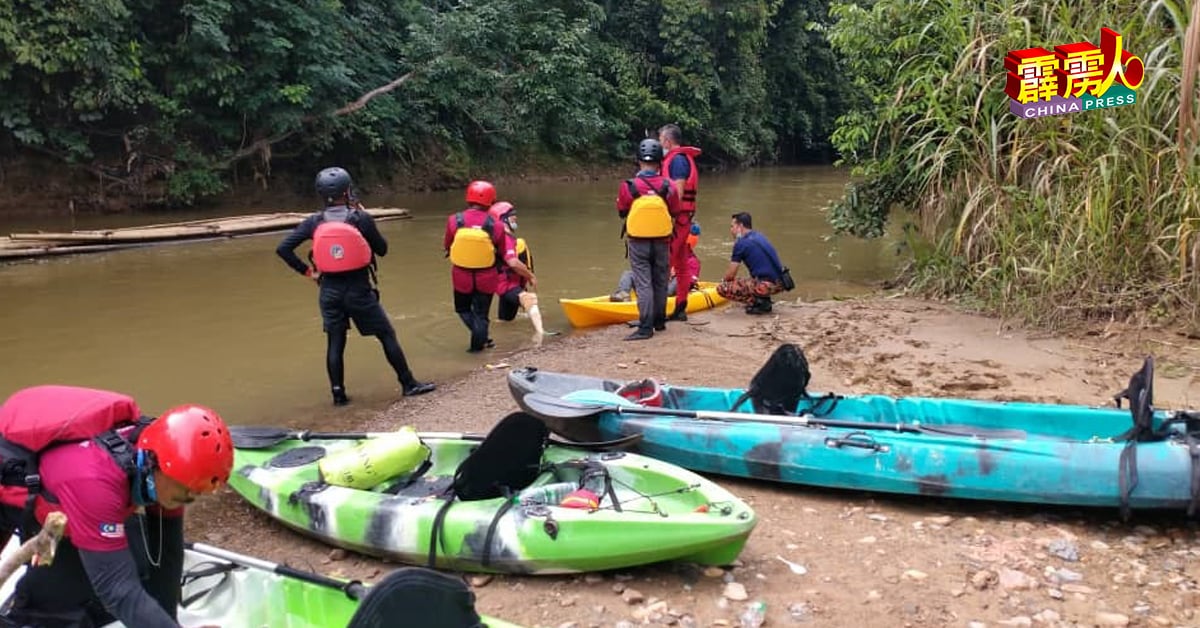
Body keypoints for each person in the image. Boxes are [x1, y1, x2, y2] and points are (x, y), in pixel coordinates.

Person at [0, 386, 234, 628]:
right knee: (80, 596)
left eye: (199, 491)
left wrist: (170, 621)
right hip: (14, 490)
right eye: (188, 489)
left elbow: (167, 553)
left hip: (63, 506)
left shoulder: (162, 463)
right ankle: (31, 616)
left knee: (137, 564)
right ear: (158, 466)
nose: (192, 495)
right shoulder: (95, 480)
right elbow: (117, 589)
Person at [277, 167, 435, 405]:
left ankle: (338, 395)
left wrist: (309, 273)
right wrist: (365, 219)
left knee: (335, 342)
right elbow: (382, 250)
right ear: (348, 191)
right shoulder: (360, 218)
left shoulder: (313, 222)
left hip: (328, 290)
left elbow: (283, 249)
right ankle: (408, 384)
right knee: (385, 334)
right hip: (358, 289)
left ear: (320, 193)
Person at [615, 138, 681, 340]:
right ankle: (659, 321)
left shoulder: (629, 186)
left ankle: (645, 327)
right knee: (660, 280)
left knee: (643, 282)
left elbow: (622, 211)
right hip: (662, 241)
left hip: (638, 242)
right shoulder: (668, 185)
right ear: (660, 161)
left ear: (638, 160)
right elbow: (675, 211)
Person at [445, 181, 506, 353]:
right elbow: (501, 251)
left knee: (463, 309)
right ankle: (481, 339)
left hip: (461, 276)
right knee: (481, 315)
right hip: (487, 277)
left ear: (468, 199)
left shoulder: (454, 220)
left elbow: (448, 245)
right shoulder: (497, 225)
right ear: (491, 201)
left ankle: (477, 347)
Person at [658, 124, 702, 321]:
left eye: (660, 140)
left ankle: (655, 313)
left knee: (663, 263)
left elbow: (678, 192)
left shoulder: (677, 161)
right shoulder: (681, 159)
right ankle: (680, 308)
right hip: (683, 220)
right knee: (681, 264)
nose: (660, 145)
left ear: (667, 141)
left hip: (677, 221)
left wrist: (668, 219)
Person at [489, 201, 545, 343]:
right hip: (507, 285)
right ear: (503, 219)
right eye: (512, 217)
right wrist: (530, 275)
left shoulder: (496, 237)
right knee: (530, 300)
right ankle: (541, 334)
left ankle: (503, 343)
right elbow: (513, 262)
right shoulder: (505, 238)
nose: (516, 219)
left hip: (505, 285)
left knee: (505, 322)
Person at [610, 222, 701, 303]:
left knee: (680, 278)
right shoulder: (666, 254)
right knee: (629, 274)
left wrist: (676, 274)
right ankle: (623, 293)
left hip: (668, 290)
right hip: (654, 286)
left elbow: (689, 282)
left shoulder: (692, 261)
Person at [717, 212, 785, 314]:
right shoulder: (759, 236)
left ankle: (759, 302)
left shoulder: (741, 243)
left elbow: (730, 275)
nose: (731, 230)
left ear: (740, 226)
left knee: (723, 288)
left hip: (767, 285)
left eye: (732, 226)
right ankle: (763, 299)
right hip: (781, 282)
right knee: (745, 280)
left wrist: (723, 281)